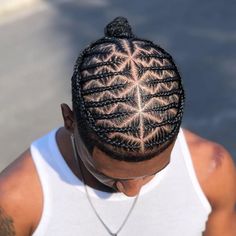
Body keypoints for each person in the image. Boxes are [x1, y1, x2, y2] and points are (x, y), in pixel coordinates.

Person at [0, 17, 235, 236]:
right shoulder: (15, 203)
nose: (132, 191)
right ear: (69, 120)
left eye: (152, 173)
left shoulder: (211, 170)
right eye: (106, 175)